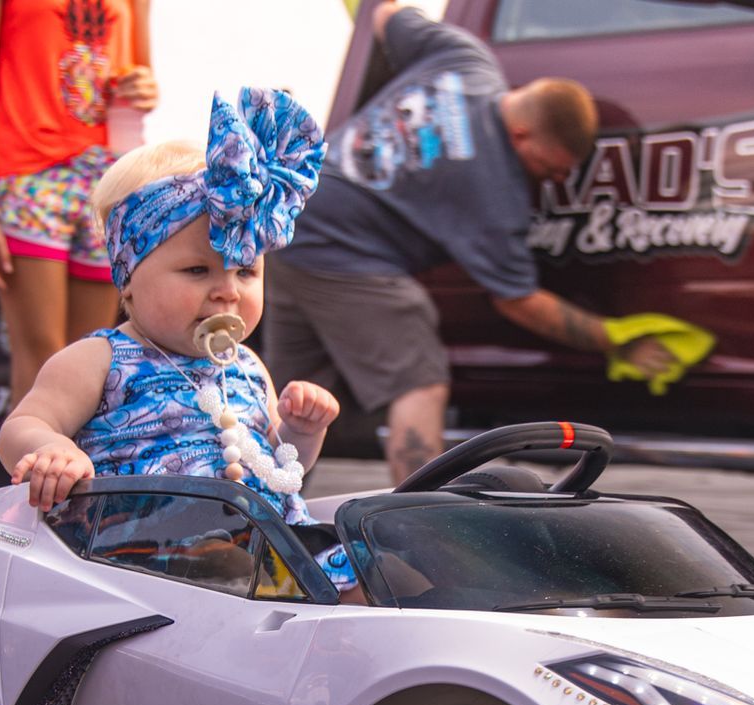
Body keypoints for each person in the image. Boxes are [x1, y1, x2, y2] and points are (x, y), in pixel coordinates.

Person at [266, 0, 676, 484]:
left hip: (292, 220)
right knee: (419, 378)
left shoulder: (464, 59)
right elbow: (520, 301)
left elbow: (383, 15)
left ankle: (253, 520)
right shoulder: (495, 191)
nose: (555, 180)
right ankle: (414, 523)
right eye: (553, 167)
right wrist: (616, 339)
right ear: (522, 134)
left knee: (292, 402)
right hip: (346, 252)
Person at [0, 88, 355, 593]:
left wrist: (300, 431)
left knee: (373, 563)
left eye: (246, 271)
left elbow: (276, 465)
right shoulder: (101, 358)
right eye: (196, 270)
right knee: (221, 564)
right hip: (138, 555)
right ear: (129, 280)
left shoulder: (247, 368)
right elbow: (22, 426)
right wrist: (53, 450)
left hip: (263, 545)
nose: (227, 290)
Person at [0, 0, 160, 404]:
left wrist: (144, 86)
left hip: (106, 176)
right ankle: (29, 468)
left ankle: (80, 469)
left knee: (90, 361)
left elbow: (143, 75)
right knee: (41, 362)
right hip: (29, 174)